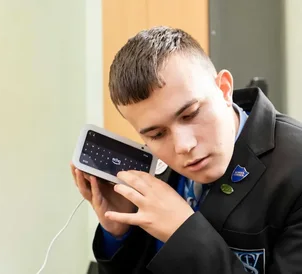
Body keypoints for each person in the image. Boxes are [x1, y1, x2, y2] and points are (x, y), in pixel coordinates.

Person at [70, 26, 302, 274]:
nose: (183, 146)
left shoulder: (294, 167)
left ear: (224, 89)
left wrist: (183, 233)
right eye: (156, 134)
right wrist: (120, 234)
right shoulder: (154, 169)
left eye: (190, 114)